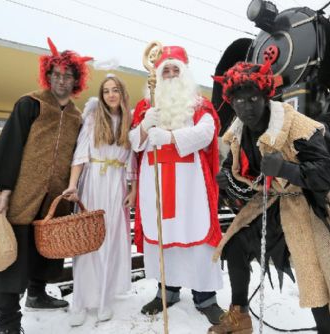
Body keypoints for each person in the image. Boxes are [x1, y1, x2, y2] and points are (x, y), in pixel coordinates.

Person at [209, 61, 330, 334]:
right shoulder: (237, 132)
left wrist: (286, 168)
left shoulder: (297, 124)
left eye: (252, 98)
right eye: (238, 100)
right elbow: (245, 181)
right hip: (270, 203)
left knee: (316, 269)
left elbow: (329, 173)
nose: (245, 106)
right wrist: (229, 181)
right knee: (235, 245)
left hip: (309, 205)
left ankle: (327, 331)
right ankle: (239, 317)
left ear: (266, 96)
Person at [0, 38, 91, 334]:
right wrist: (4, 192)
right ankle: (7, 323)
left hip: (55, 199)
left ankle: (37, 295)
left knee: (45, 253)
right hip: (22, 195)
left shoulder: (79, 117)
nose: (61, 80)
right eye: (56, 74)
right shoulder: (31, 104)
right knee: (11, 260)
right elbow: (11, 146)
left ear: (76, 80)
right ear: (48, 75)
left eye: (68, 76)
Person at [129, 45, 224, 325]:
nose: (170, 74)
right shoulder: (146, 107)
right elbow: (134, 143)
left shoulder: (198, 104)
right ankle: (166, 292)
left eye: (175, 69)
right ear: (157, 75)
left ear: (184, 73)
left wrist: (170, 138)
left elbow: (207, 133)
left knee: (197, 238)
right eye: (165, 70)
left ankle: (205, 298)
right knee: (163, 237)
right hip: (154, 182)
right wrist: (145, 126)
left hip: (190, 185)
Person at [62, 75, 136, 326]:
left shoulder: (128, 121)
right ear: (101, 96)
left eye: (115, 90)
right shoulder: (93, 118)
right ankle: (80, 302)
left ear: (122, 93)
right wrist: (73, 185)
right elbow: (80, 155)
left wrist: (133, 188)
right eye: (106, 91)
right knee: (86, 244)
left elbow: (132, 159)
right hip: (93, 183)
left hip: (116, 186)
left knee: (110, 243)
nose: (111, 95)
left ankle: (105, 299)